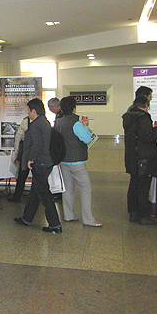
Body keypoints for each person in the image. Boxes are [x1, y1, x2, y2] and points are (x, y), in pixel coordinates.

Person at [14, 98, 62, 234]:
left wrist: (30, 159)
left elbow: (36, 145)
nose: (28, 113)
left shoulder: (35, 125)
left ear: (33, 111)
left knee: (44, 194)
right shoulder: (44, 122)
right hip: (46, 162)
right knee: (35, 192)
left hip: (40, 163)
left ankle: (55, 224)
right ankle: (27, 218)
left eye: (28, 110)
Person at [55, 96, 102, 227]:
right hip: (77, 161)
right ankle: (88, 218)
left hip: (63, 160)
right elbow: (87, 139)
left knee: (68, 189)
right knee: (85, 188)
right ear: (74, 108)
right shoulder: (76, 123)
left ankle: (68, 215)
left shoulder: (58, 122)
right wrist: (85, 127)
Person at [123, 95, 157, 225]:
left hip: (132, 157)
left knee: (134, 185)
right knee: (143, 188)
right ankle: (143, 216)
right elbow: (148, 138)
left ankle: (133, 213)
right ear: (146, 105)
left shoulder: (128, 117)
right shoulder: (143, 118)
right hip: (144, 158)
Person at [9, 115, 30, 203]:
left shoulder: (26, 121)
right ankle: (36, 196)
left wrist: (16, 151)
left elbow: (18, 137)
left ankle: (17, 196)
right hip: (37, 153)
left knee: (22, 176)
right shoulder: (43, 121)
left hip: (25, 152)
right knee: (38, 177)